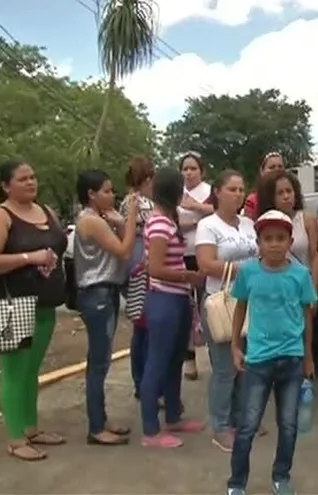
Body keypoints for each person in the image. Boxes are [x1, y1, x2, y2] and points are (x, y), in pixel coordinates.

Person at [0, 160, 68, 461]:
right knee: (14, 372)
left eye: (33, 176)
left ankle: (30, 427)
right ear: (5, 186)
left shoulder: (46, 211)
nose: (30, 182)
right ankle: (15, 438)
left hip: (45, 304)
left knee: (31, 370)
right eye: (23, 178)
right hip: (12, 306)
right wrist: (29, 257)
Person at [227, 210, 317, 495]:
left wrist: (308, 356)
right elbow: (240, 307)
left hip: (291, 360)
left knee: (288, 425)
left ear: (291, 241)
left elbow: (307, 315)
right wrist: (235, 346)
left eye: (280, 238)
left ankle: (281, 476)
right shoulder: (249, 272)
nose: (275, 244)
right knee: (247, 425)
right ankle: (236, 482)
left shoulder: (301, 275)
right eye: (268, 239)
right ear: (259, 242)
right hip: (258, 361)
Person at [140, 167, 206, 448]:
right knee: (157, 361)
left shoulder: (169, 220)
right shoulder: (158, 223)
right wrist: (187, 277)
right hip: (164, 298)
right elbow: (154, 268)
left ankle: (174, 416)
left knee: (175, 359)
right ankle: (150, 430)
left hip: (177, 298)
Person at [73, 170, 139, 445]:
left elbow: (123, 243)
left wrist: (121, 221)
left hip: (105, 292)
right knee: (98, 363)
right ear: (92, 194)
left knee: (101, 361)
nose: (113, 195)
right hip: (97, 294)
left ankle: (100, 419)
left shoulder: (100, 219)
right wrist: (132, 216)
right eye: (107, 191)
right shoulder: (92, 222)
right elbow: (125, 251)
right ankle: (96, 427)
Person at [195, 171, 258, 453]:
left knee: (245, 365)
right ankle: (220, 427)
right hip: (221, 301)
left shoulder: (248, 223)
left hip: (249, 301)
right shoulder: (208, 225)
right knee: (224, 367)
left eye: (242, 188)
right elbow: (206, 265)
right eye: (232, 188)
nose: (238, 193)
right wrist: (246, 271)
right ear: (217, 192)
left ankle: (239, 419)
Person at [119, 156, 156, 402]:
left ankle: (140, 381)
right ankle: (144, 382)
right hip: (143, 266)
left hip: (133, 264)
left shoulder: (126, 202)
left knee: (140, 328)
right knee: (145, 328)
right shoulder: (142, 204)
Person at [178, 151, 214, 380]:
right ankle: (188, 358)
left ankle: (213, 349)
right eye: (185, 169)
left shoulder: (210, 191)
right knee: (184, 306)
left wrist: (195, 207)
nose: (189, 173)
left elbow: (217, 212)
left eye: (193, 168)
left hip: (204, 253)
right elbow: (169, 218)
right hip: (180, 254)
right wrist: (192, 221)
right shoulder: (175, 192)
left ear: (202, 171)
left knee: (206, 304)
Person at [255, 170, 318, 289]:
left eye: (289, 191)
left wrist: (314, 287)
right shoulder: (263, 223)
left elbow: (315, 256)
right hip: (274, 286)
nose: (286, 196)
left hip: (303, 285)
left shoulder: (307, 219)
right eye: (280, 193)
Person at [243, 152, 285, 219]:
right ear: (262, 171)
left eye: (280, 167)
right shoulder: (252, 200)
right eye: (272, 167)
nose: (277, 170)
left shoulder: (289, 195)